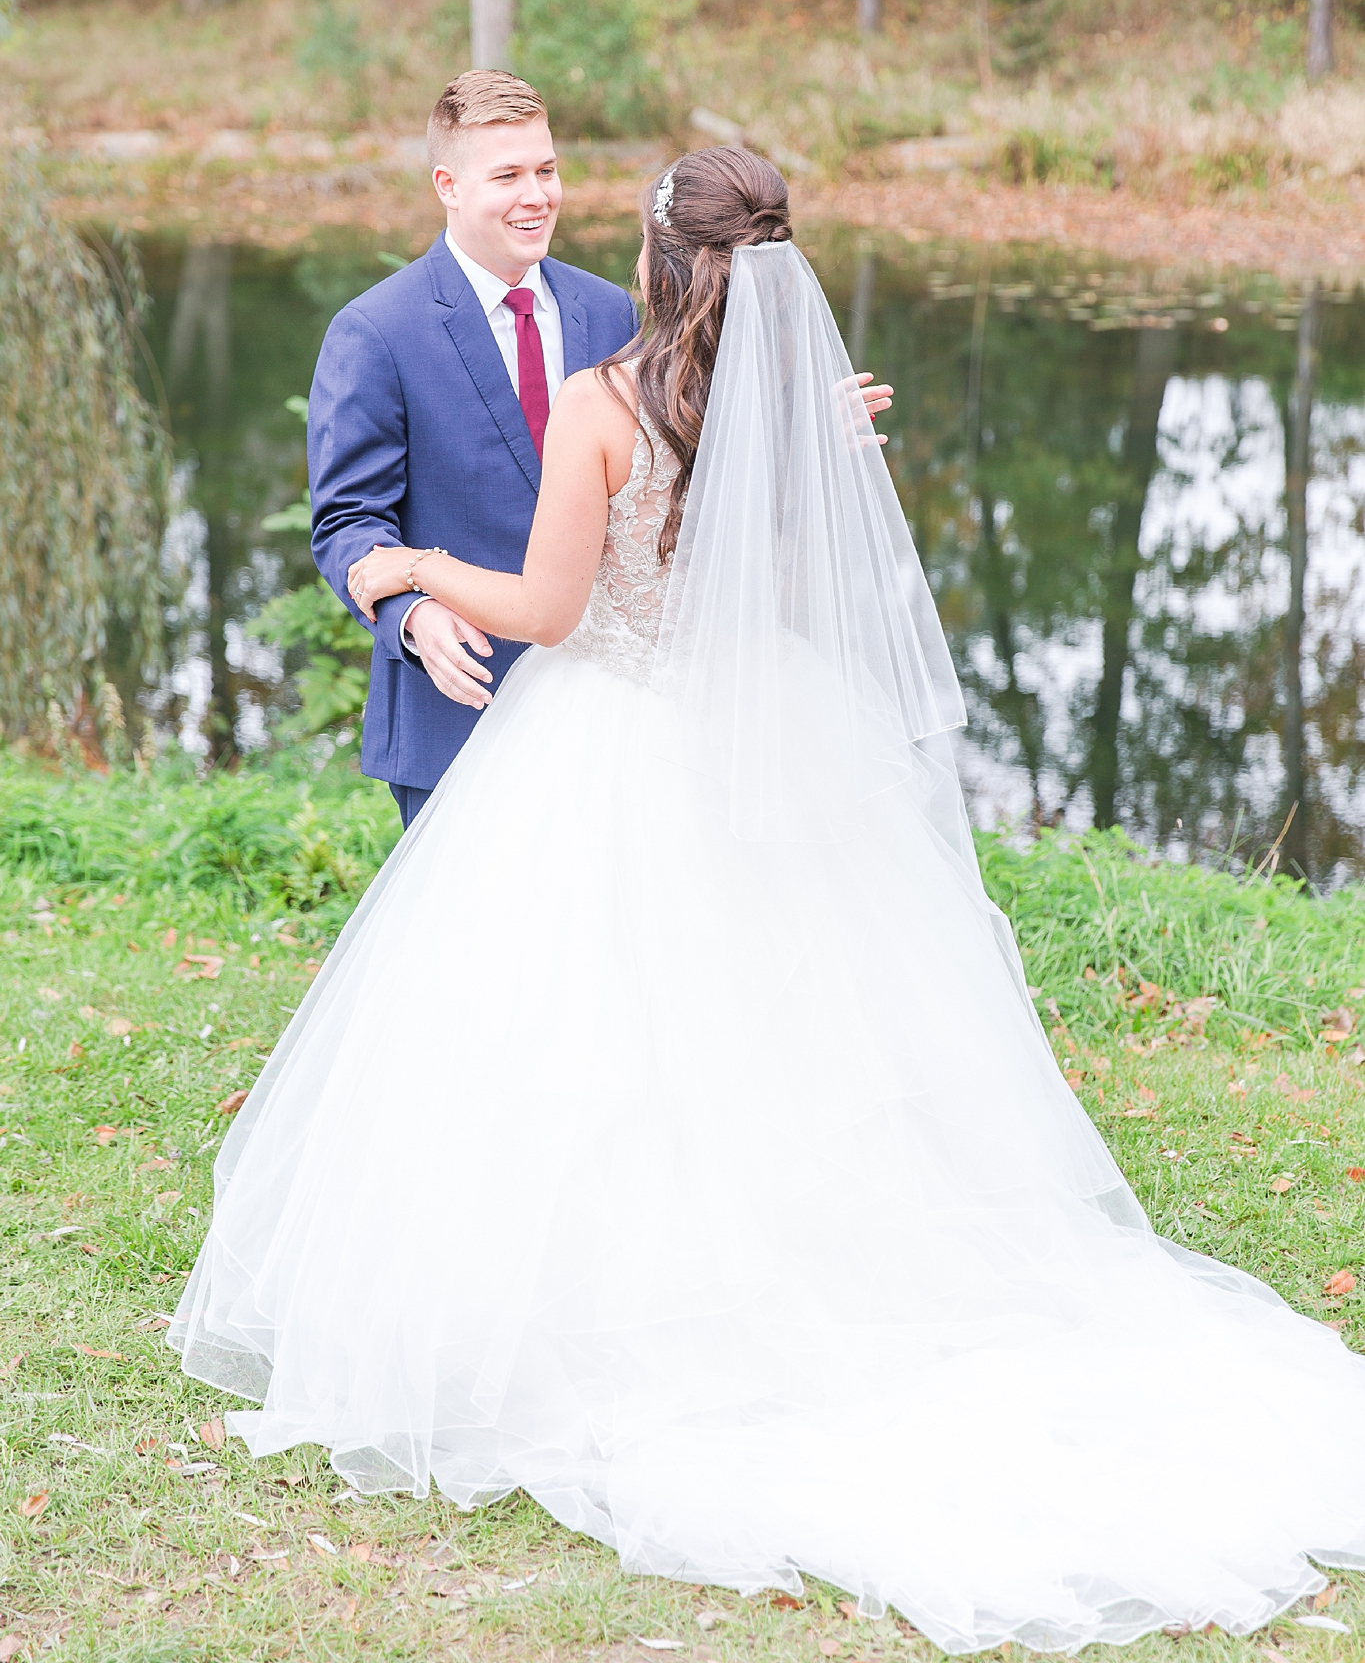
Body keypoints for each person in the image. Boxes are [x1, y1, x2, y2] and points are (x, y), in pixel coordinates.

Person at [173, 148, 1365, 1656]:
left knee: (594, 1037)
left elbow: (547, 612)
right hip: (765, 737)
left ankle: (624, 1310)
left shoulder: (605, 404)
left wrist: (409, 564)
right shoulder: (792, 403)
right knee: (791, 1021)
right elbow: (784, 587)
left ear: (660, 256)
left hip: (609, 748)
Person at [307, 69, 893, 826]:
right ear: (448, 185)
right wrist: (411, 613)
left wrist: (787, 433)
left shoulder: (612, 307)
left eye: (546, 170)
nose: (537, 196)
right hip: (460, 697)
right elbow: (348, 521)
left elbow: (685, 458)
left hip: (642, 717)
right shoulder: (377, 330)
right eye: (508, 175)